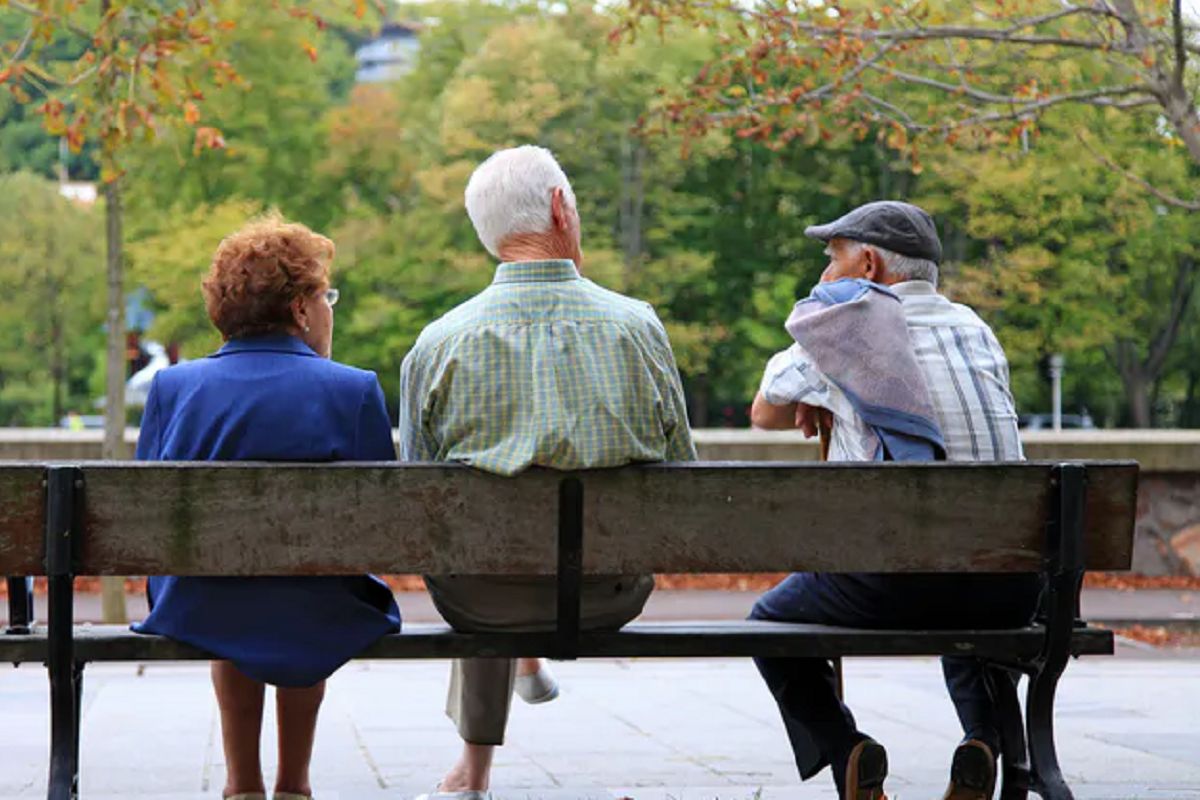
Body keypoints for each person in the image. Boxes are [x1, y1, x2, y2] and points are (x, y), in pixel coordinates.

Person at [400, 145, 696, 800]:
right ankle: (514, 685)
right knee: (509, 553)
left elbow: (417, 502)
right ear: (561, 208)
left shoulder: (438, 343)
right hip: (608, 594)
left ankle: (472, 769)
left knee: (485, 558)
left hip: (479, 598)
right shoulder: (638, 328)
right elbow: (685, 480)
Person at [749, 201, 1035, 800]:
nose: (825, 275)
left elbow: (764, 414)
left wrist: (822, 385)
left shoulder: (845, 323)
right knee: (963, 572)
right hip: (1010, 585)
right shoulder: (977, 330)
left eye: (833, 260)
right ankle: (982, 740)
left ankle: (847, 748)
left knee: (768, 624)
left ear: (869, 265)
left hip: (895, 582)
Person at [133, 215, 402, 800]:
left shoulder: (172, 388)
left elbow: (147, 517)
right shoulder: (353, 389)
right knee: (306, 590)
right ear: (301, 310)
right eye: (324, 296)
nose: (329, 309)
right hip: (319, 603)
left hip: (197, 603)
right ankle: (294, 784)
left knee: (232, 590)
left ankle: (243, 784)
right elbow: (379, 526)